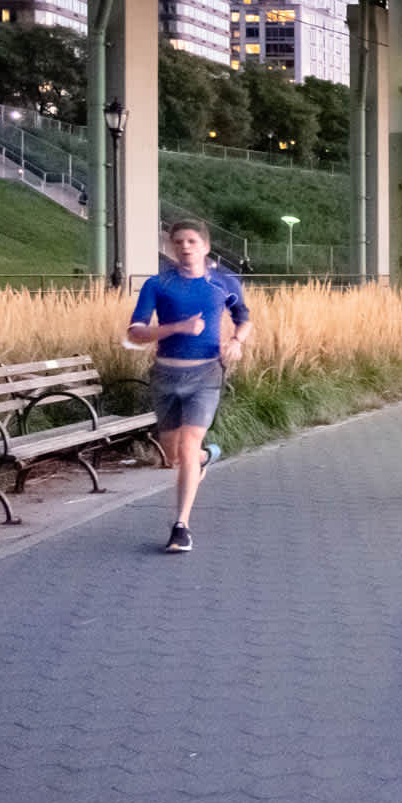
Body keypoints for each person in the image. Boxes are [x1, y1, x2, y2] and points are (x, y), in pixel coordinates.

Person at [127, 219, 252, 553]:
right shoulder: (158, 284)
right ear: (171, 247)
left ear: (205, 246)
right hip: (165, 376)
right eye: (178, 241)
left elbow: (243, 317)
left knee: (186, 446)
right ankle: (204, 458)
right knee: (173, 455)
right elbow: (135, 333)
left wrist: (236, 341)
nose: (185, 247)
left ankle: (180, 527)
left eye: (192, 241)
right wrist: (176, 327)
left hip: (206, 375)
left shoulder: (224, 283)